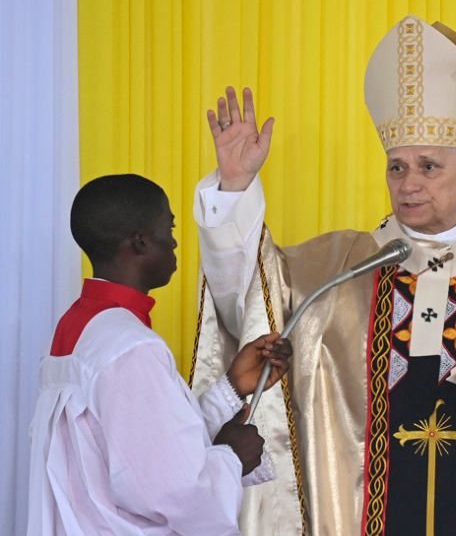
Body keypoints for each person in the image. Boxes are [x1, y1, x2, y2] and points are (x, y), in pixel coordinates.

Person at [190, 15, 456, 535]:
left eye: (428, 166)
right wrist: (235, 188)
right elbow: (248, 300)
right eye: (397, 167)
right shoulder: (335, 269)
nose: (409, 184)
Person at [27, 174, 292, 535]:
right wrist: (232, 457)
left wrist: (232, 387)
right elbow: (175, 493)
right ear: (140, 241)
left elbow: (142, 448)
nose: (174, 241)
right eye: (169, 228)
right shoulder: (130, 346)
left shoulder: (78, 326)